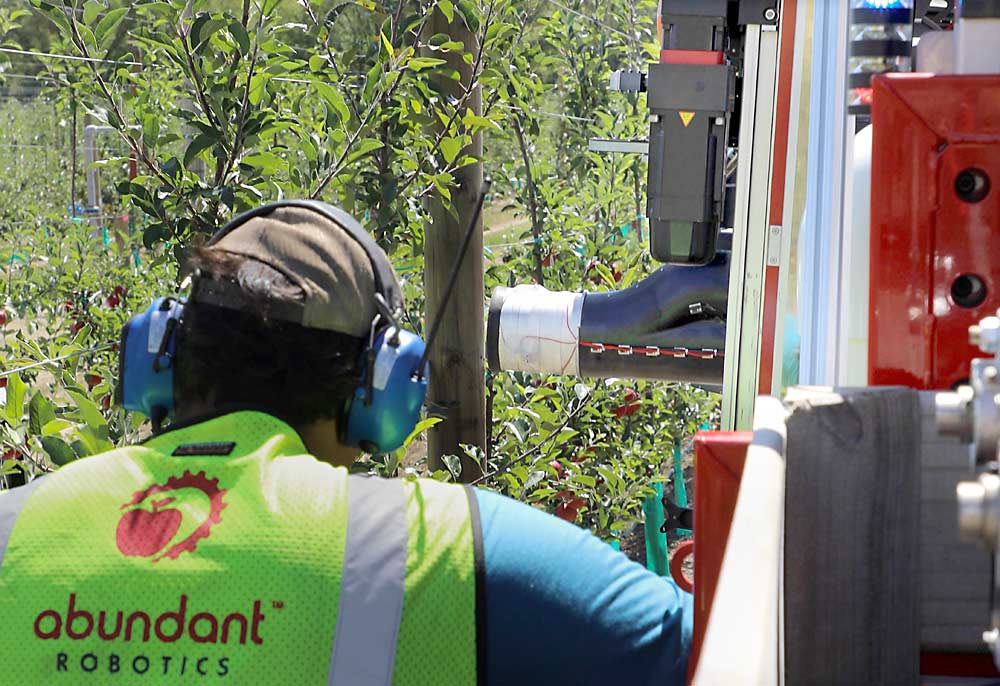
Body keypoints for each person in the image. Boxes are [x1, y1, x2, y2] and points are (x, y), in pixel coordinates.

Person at [0, 202, 691, 685]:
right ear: (380, 391)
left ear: (157, 357)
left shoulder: (13, 530)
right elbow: (712, 648)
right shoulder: (442, 549)